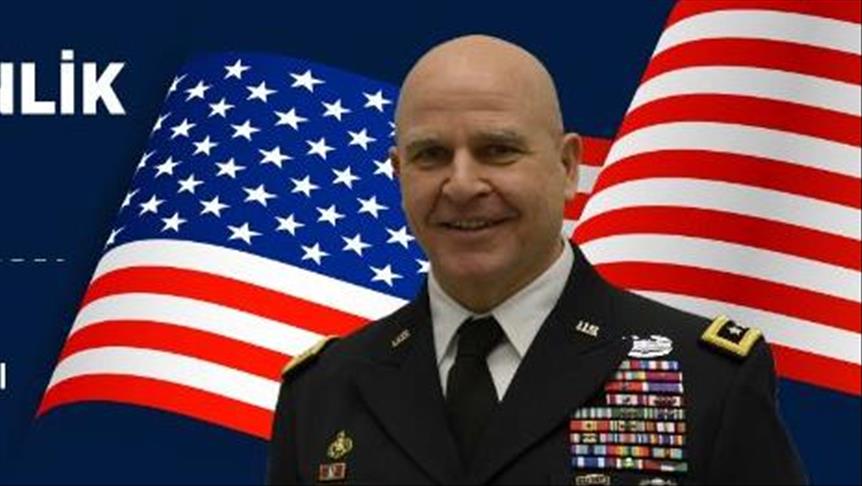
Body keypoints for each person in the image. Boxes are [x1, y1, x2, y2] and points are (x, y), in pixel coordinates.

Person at [267, 35, 806, 485]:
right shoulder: (324, 391)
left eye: (497, 150)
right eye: (431, 155)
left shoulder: (705, 379)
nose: (462, 184)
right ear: (398, 173)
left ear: (567, 167)